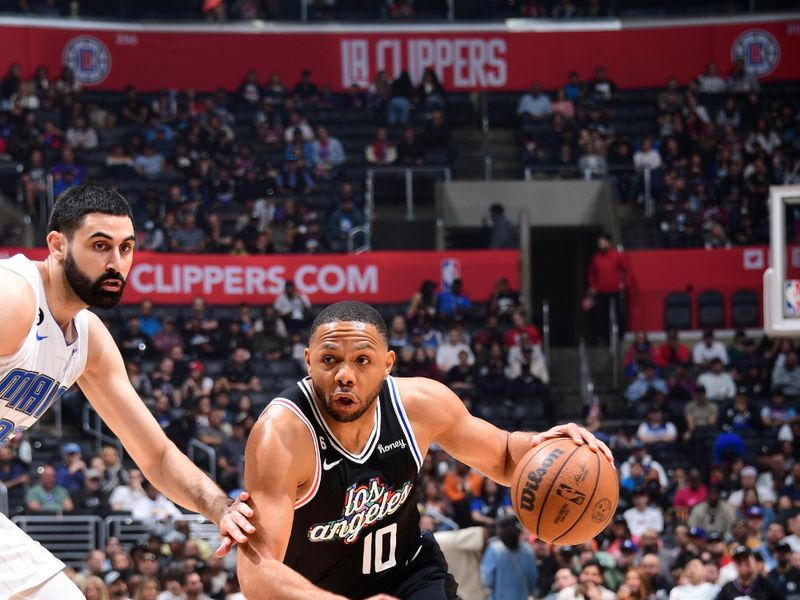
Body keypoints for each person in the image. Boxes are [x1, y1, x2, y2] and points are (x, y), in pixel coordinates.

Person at [237, 300, 611, 599]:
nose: (344, 375)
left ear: (387, 365)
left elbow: (501, 455)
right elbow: (256, 574)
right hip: (314, 591)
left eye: (362, 360)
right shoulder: (282, 436)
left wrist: (548, 446)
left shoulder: (419, 404)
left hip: (409, 574)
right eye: (329, 360)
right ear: (308, 362)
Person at [0, 184, 254, 599]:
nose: (116, 263)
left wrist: (219, 508)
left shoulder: (88, 341)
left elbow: (155, 454)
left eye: (126, 248)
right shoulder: (13, 297)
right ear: (57, 245)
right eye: (100, 246)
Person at [480, 514, 538, 600]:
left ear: (500, 529)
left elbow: (487, 580)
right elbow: (532, 580)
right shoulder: (527, 549)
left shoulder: (494, 550)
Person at [716, 546, 783, 600]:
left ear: (754, 561)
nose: (743, 563)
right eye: (739, 560)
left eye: (746, 559)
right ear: (734, 564)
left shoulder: (768, 585)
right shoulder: (728, 589)